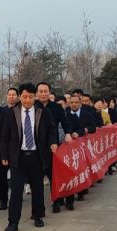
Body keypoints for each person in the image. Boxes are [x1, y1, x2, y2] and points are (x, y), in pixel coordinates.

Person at [0, 83, 58, 231]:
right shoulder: (11, 113)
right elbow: (4, 136)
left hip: (36, 157)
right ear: (20, 96)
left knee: (38, 189)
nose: (27, 100)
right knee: (16, 191)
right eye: (24, 97)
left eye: (30, 97)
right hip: (18, 158)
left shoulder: (43, 112)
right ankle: (13, 222)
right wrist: (4, 155)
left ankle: (38, 216)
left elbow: (52, 130)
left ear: (35, 97)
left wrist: (53, 142)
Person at [35, 82, 73, 214]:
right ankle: (40, 207)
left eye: (46, 91)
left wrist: (68, 134)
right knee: (38, 177)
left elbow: (65, 123)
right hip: (37, 147)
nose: (43, 94)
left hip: (54, 146)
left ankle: (58, 201)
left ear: (50, 92)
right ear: (36, 93)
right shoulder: (33, 106)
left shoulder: (56, 107)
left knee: (55, 175)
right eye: (41, 91)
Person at [66, 94, 96, 203]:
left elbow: (93, 128)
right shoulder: (65, 114)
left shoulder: (86, 114)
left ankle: (81, 191)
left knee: (83, 168)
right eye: (72, 102)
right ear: (69, 103)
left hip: (83, 145)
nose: (74, 104)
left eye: (76, 102)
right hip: (69, 147)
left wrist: (83, 131)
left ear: (80, 103)